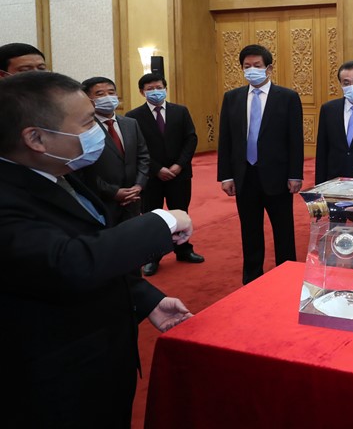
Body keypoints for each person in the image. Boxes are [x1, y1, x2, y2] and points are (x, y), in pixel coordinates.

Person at [0, 71, 193, 428]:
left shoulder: (60, 171)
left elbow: (87, 240)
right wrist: (162, 221)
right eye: (88, 123)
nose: (98, 132)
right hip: (55, 381)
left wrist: (145, 299)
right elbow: (66, 261)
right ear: (36, 138)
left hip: (104, 359)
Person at [218, 44, 303, 284]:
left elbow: (295, 139)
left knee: (283, 230)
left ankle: (287, 275)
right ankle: (252, 278)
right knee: (250, 231)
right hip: (244, 175)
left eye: (257, 65)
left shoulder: (287, 97)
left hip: (278, 176)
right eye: (247, 66)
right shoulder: (232, 98)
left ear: (269, 68)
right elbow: (226, 139)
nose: (251, 70)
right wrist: (226, 175)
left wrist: (295, 174)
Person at [126, 72, 204, 276]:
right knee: (152, 215)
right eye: (150, 89)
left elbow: (191, 139)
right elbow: (137, 147)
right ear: (142, 92)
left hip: (180, 174)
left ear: (166, 88)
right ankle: (153, 256)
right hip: (151, 177)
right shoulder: (133, 117)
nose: (155, 91)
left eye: (159, 87)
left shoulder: (180, 111)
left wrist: (179, 165)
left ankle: (183, 250)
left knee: (181, 211)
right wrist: (157, 169)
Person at [78, 76, 149, 226]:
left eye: (111, 92)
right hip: (102, 200)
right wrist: (113, 192)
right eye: (100, 94)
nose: (108, 97)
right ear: (87, 99)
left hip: (133, 198)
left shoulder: (131, 123)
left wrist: (138, 185)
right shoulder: (82, 128)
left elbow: (143, 156)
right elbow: (81, 168)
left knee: (134, 235)